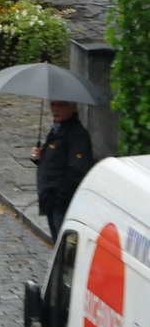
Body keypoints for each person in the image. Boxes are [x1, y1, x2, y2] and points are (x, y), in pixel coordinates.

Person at [32, 100, 94, 236]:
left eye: (61, 105)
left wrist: (59, 197)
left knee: (63, 243)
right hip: (50, 199)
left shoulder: (77, 134)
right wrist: (40, 157)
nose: (56, 109)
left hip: (61, 202)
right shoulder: (58, 128)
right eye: (53, 104)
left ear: (74, 106)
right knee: (57, 239)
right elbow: (56, 160)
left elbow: (78, 170)